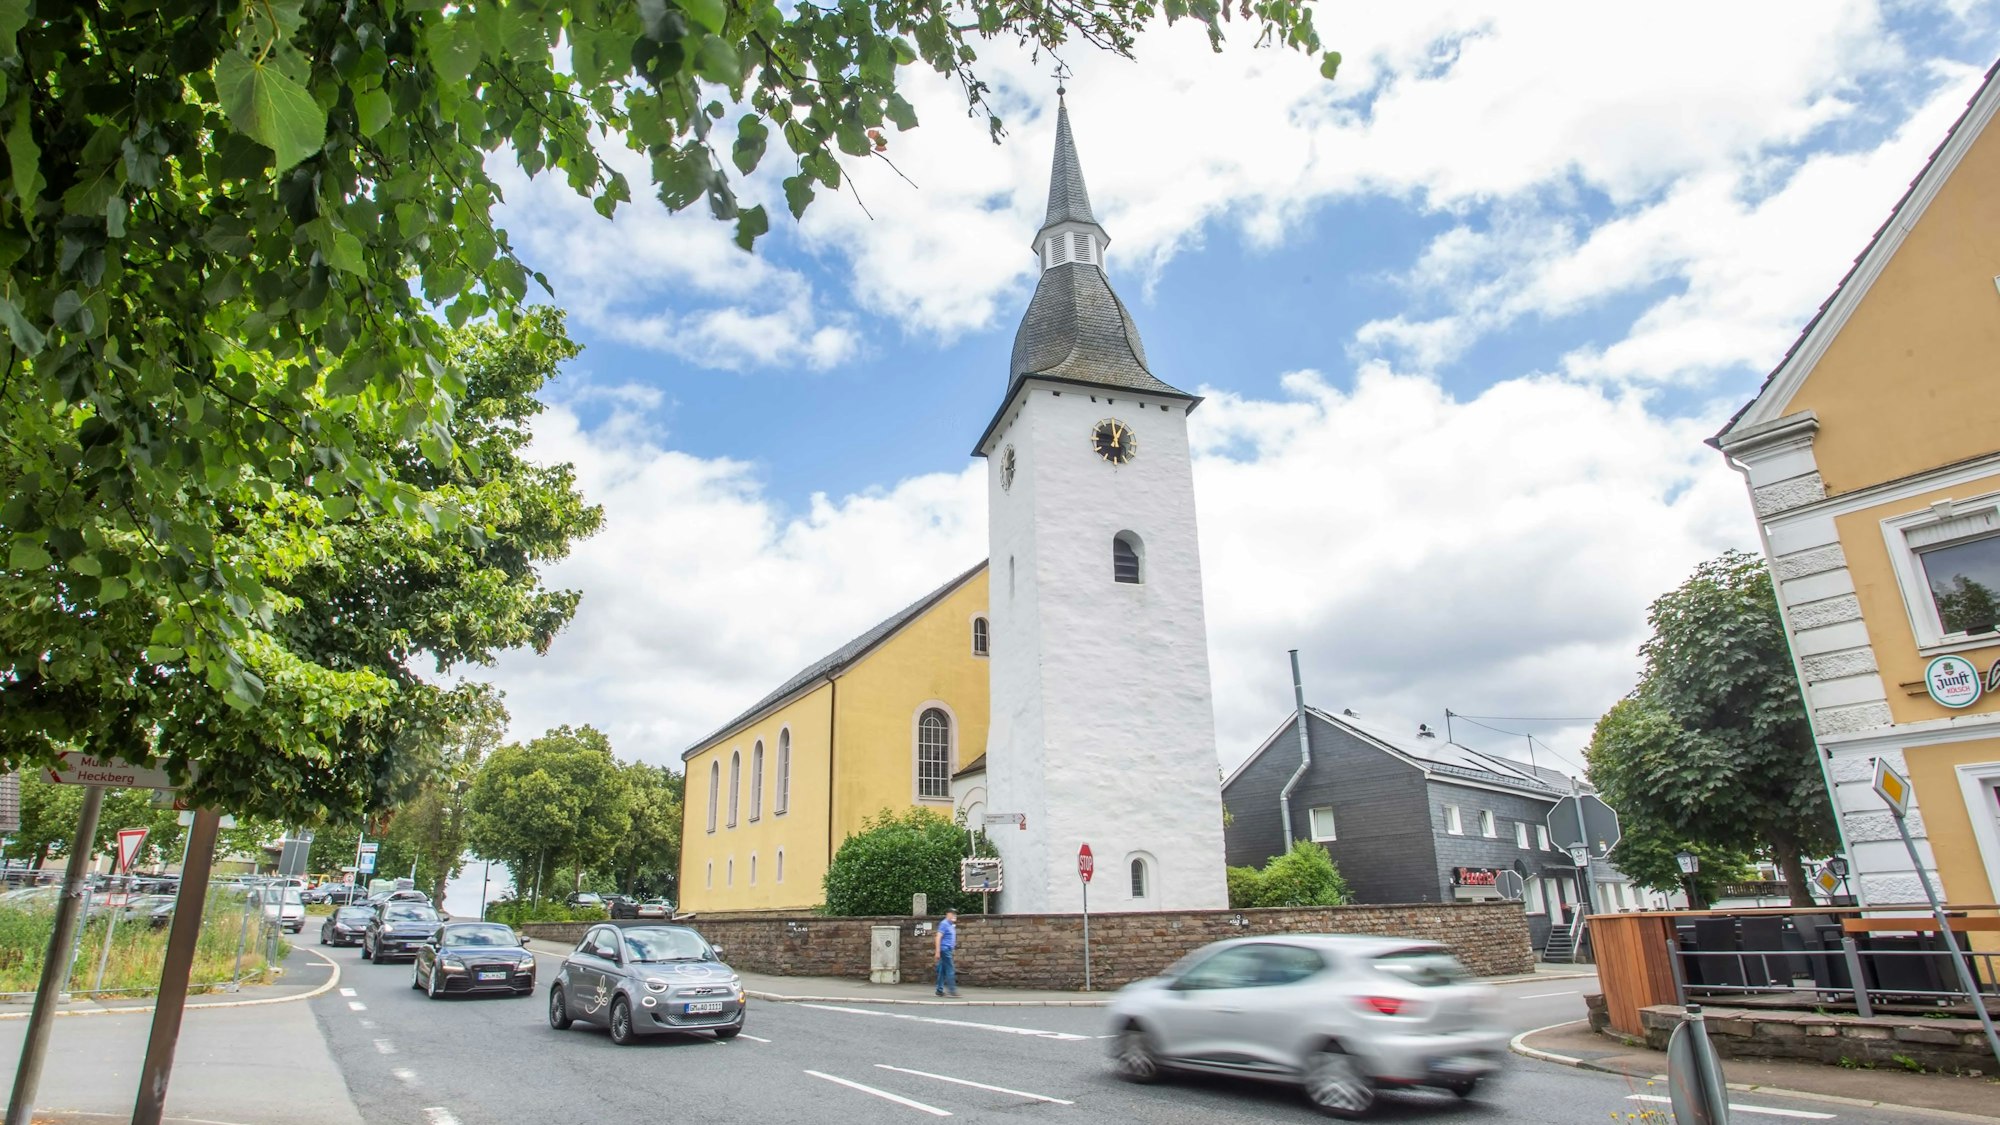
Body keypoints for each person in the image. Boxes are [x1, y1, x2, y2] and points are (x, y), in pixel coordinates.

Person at [933, 908, 959, 997]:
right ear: (948, 914)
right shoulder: (944, 924)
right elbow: (938, 937)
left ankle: (939, 990)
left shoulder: (950, 925)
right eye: (952, 914)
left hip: (947, 950)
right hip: (945, 950)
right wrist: (937, 951)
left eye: (955, 914)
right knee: (950, 969)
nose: (954, 916)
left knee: (942, 970)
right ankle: (952, 990)